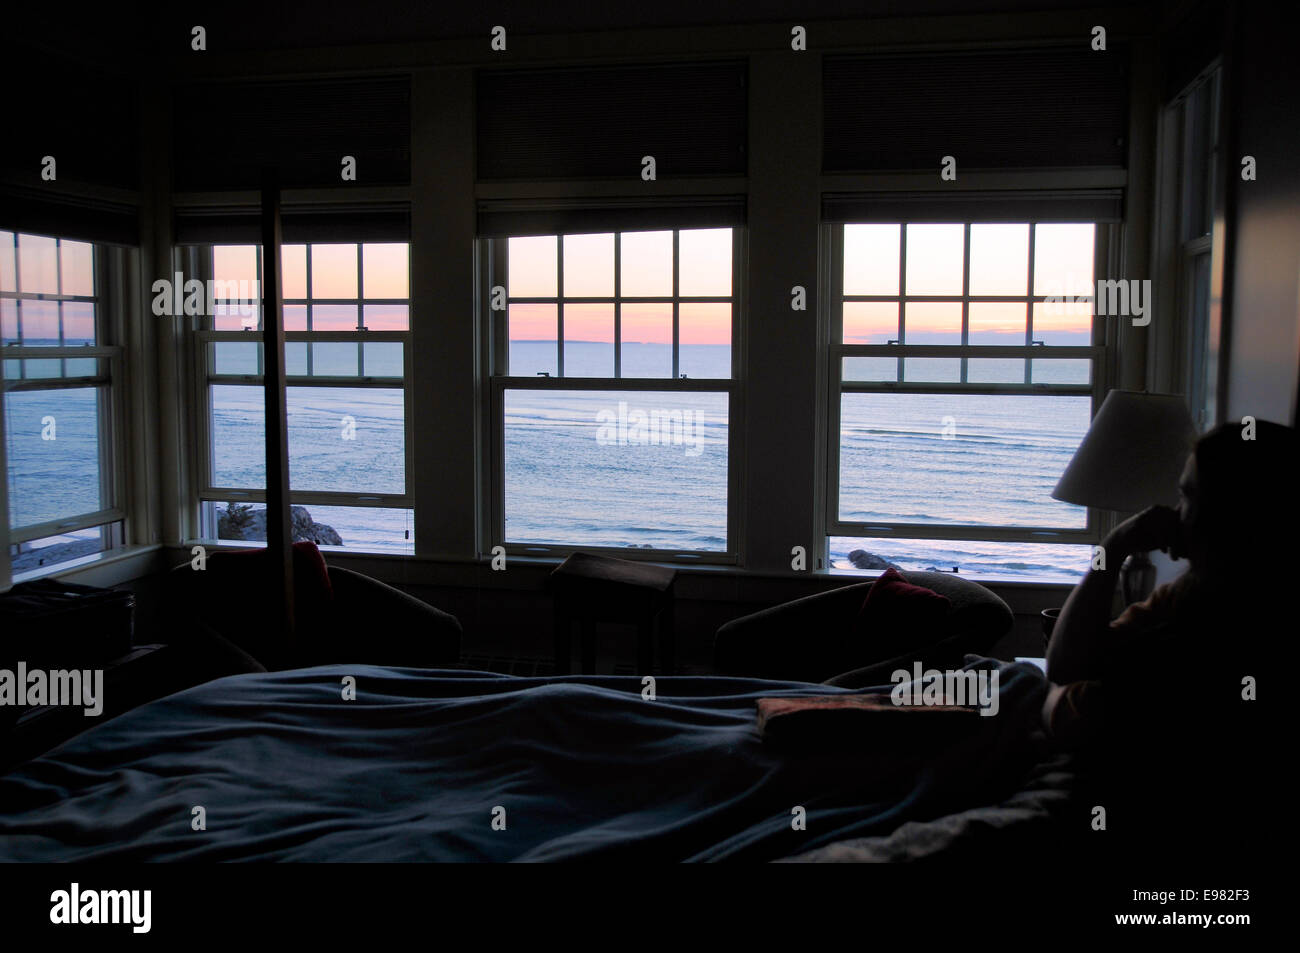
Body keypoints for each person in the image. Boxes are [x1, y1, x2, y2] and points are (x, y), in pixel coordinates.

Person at [1043, 419, 1296, 859]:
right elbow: (1071, 666)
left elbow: (1075, 703)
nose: (1176, 513)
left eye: (1189, 496)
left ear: (1233, 514)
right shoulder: (1190, 591)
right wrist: (1114, 546)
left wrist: (1116, 545)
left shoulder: (1236, 622)